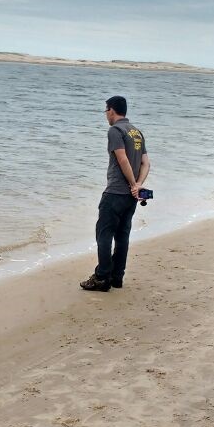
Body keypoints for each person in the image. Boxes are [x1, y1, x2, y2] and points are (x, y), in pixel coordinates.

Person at [80, 96, 151, 292]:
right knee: (122, 236)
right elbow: (146, 163)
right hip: (131, 197)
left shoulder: (115, 130)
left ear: (111, 110)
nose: (106, 115)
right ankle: (117, 277)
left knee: (103, 235)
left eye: (106, 111)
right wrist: (138, 185)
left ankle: (102, 277)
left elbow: (122, 160)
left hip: (115, 193)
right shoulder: (137, 133)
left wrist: (131, 184)